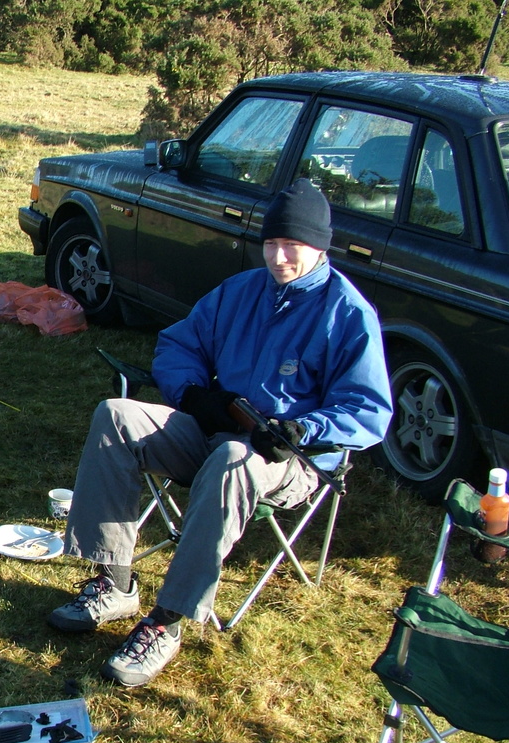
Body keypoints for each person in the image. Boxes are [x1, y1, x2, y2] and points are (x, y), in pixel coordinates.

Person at [47, 179, 392, 687]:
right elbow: (178, 344)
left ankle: (167, 621)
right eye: (271, 244)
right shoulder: (241, 290)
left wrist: (304, 427)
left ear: (320, 246)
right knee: (114, 414)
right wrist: (192, 395)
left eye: (291, 246)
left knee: (235, 457)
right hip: (214, 432)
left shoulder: (348, 313)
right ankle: (114, 581)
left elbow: (370, 411)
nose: (278, 257)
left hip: (288, 459)